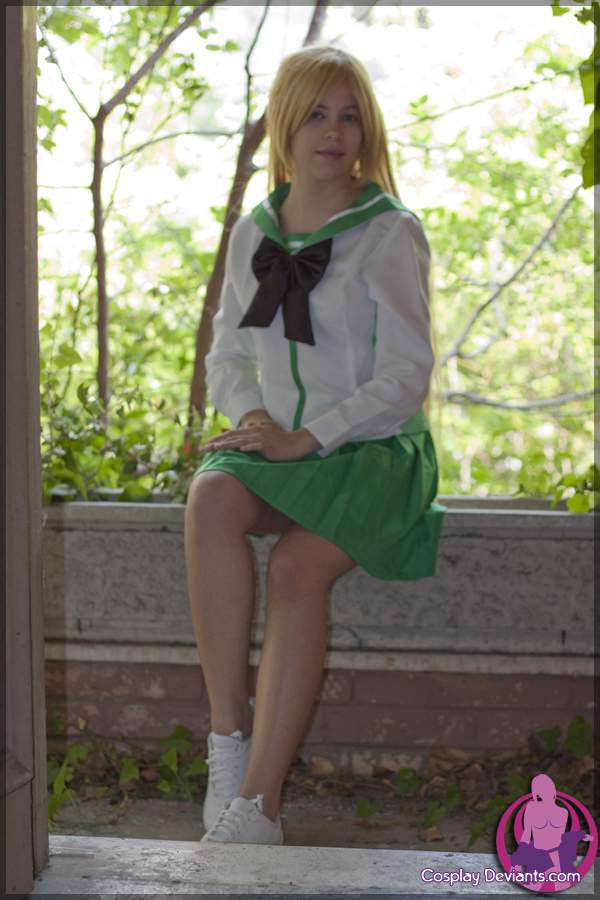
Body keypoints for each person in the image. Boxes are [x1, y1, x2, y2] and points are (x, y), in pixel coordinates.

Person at [184, 43, 445, 847]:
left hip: (372, 452)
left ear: (368, 130)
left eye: (350, 115)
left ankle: (258, 809)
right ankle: (228, 742)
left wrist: (311, 437)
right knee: (211, 494)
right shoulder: (251, 233)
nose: (334, 132)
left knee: (297, 568)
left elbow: (407, 374)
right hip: (286, 449)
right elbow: (227, 354)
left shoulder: (387, 232)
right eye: (317, 115)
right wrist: (256, 423)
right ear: (285, 126)